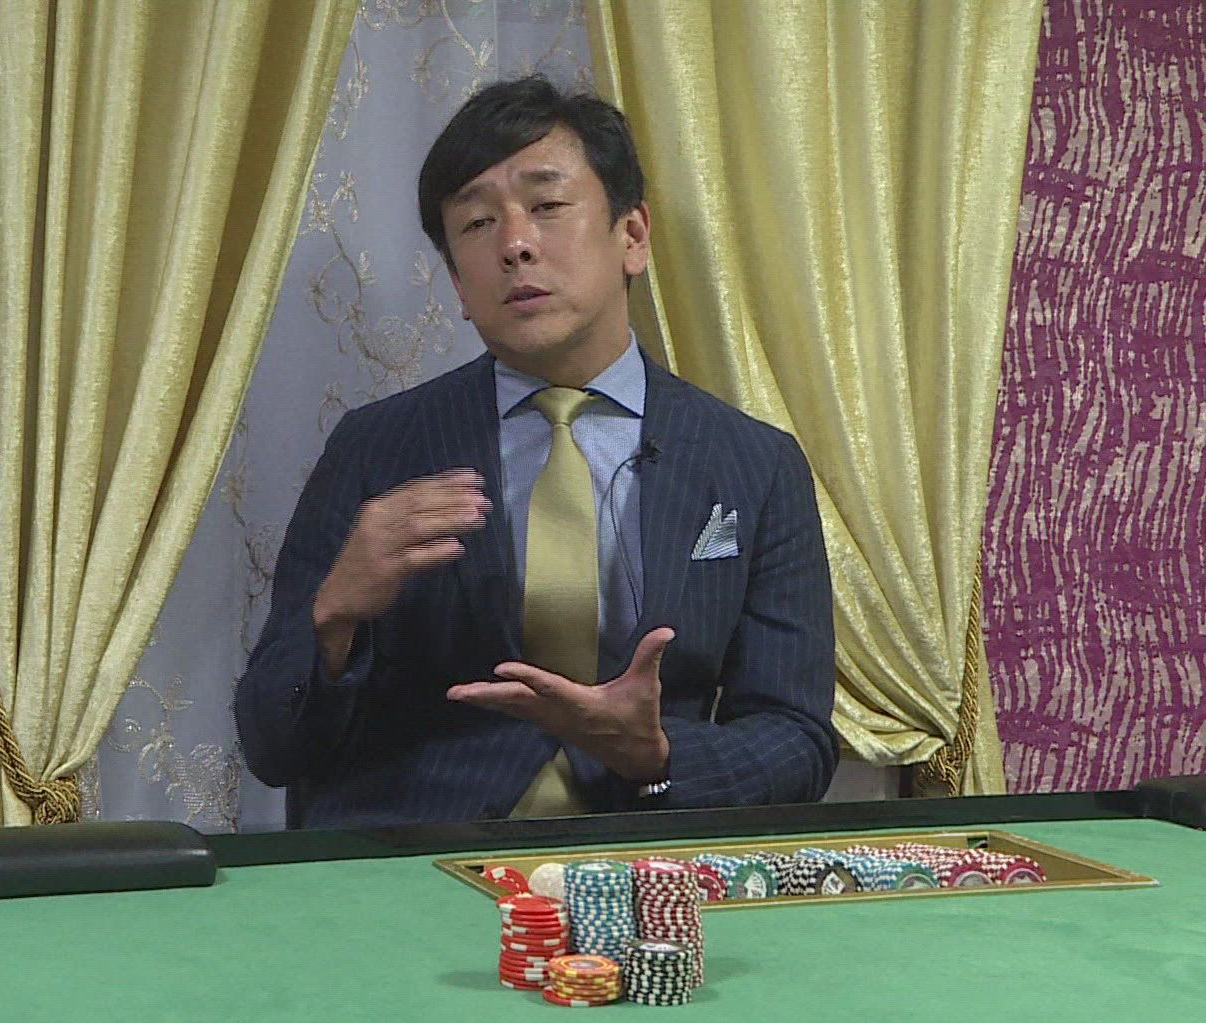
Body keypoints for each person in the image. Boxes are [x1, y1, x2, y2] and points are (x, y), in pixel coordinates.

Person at [234, 76, 837, 829]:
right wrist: (333, 618)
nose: (515, 244)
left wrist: (655, 755)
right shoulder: (377, 448)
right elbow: (271, 746)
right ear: (458, 283)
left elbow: (797, 739)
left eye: (547, 206)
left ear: (632, 236)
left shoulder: (754, 463)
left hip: (639, 858)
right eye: (478, 223)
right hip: (414, 859)